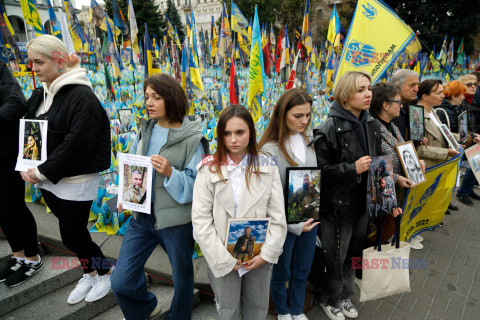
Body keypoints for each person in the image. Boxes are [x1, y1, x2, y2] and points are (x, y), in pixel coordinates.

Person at [111, 74, 208, 320]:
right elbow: (132, 167)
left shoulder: (193, 139)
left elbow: (197, 185)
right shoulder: (145, 130)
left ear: (172, 99)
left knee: (183, 280)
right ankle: (144, 308)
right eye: (146, 97)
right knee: (121, 280)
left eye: (156, 97)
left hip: (176, 223)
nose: (149, 102)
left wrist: (169, 173)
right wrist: (125, 195)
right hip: (141, 218)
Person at [23, 35, 112, 302]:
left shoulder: (81, 96)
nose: (34, 68)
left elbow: (77, 143)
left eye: (40, 62)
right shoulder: (42, 93)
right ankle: (91, 274)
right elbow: (29, 132)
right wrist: (26, 164)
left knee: (72, 234)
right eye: (31, 62)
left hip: (75, 178)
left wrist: (40, 171)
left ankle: (103, 272)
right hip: (49, 177)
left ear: (60, 61)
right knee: (74, 233)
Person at [314, 72, 400, 320]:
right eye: (361, 89)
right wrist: (350, 169)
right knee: (335, 256)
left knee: (354, 255)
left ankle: (344, 296)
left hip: (364, 203)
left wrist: (388, 200)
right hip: (337, 207)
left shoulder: (371, 123)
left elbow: (379, 165)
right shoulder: (329, 128)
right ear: (346, 95)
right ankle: (328, 298)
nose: (368, 94)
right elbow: (318, 172)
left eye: (369, 88)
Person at [192, 105, 287, 320]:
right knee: (227, 309)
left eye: (239, 132)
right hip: (221, 253)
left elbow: (278, 216)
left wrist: (266, 254)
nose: (233, 139)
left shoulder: (267, 166)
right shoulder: (208, 169)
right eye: (227, 133)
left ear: (251, 133)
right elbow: (201, 220)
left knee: (257, 307)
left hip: (259, 253)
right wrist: (223, 258)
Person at [258, 88, 319, 320]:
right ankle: (282, 310)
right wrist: (293, 225)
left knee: (302, 270)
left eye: (307, 115)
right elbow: (268, 198)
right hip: (283, 225)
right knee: (280, 272)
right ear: (282, 115)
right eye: (298, 116)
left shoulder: (309, 142)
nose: (304, 121)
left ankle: (296, 309)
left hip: (309, 220)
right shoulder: (268, 151)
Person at [0, 60, 41, 287]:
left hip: (7, 152)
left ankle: (33, 258)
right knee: (1, 209)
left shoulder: (1, 69)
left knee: (13, 205)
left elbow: (16, 102)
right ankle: (18, 254)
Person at [416, 80, 460, 168]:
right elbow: (418, 149)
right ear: (425, 96)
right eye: (439, 93)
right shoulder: (417, 115)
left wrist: (459, 139)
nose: (443, 96)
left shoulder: (433, 111)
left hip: (440, 164)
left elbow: (441, 135)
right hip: (428, 168)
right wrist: (446, 152)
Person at [390, 69, 420, 139]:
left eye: (417, 85)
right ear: (397, 86)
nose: (416, 89)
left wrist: (416, 139)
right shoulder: (389, 110)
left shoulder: (412, 107)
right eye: (412, 85)